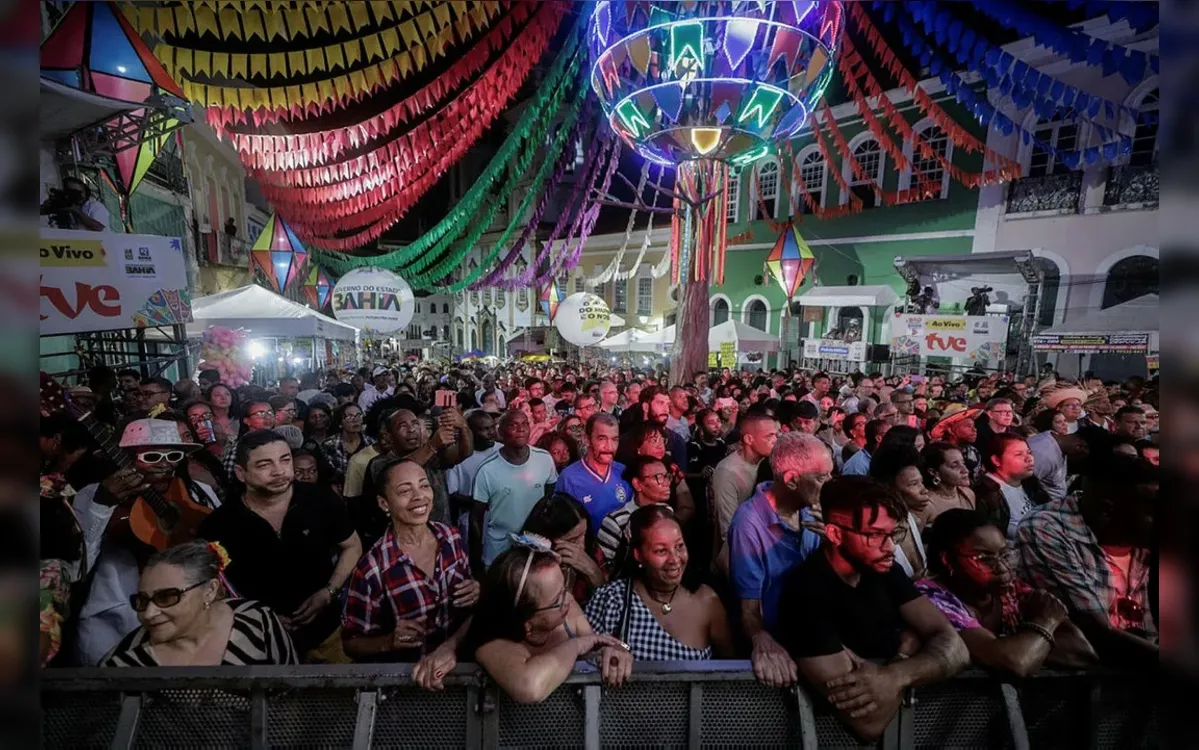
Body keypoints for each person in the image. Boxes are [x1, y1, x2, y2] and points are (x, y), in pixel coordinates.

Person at [774, 476, 969, 742]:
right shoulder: (806, 594)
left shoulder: (885, 570)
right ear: (835, 534)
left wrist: (895, 673)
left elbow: (956, 648)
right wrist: (912, 650)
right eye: (875, 535)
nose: (890, 547)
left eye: (894, 534)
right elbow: (867, 723)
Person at [198, 430, 363, 660]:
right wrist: (260, 617)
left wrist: (329, 592)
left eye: (285, 460)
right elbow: (212, 588)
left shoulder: (321, 500)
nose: (279, 471)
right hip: (254, 642)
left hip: (328, 635)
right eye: (264, 464)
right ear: (241, 473)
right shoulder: (220, 524)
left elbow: (352, 546)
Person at [72, 419, 222, 665]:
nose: (164, 465)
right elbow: (77, 563)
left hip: (187, 622)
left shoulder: (199, 491)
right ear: (126, 460)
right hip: (114, 622)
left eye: (173, 456)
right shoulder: (93, 494)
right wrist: (101, 505)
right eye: (152, 456)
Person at [341, 460, 478, 688]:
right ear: (384, 503)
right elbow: (351, 644)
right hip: (408, 684)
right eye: (405, 491)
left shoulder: (451, 537)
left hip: (460, 673)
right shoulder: (372, 569)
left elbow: (468, 591)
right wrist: (388, 642)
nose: (419, 497)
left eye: (424, 486)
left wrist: (475, 589)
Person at [915, 510, 1097, 678]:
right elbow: (1015, 663)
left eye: (1004, 555)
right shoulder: (931, 597)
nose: (1002, 568)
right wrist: (1045, 622)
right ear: (947, 560)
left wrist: (1022, 649)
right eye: (985, 558)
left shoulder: (1013, 589)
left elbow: (1081, 653)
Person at [1016, 455, 1157, 669]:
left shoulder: (1145, 538)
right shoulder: (1047, 528)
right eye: (1154, 511)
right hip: (1073, 689)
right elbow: (1097, 632)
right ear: (1108, 510)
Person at [466, 539, 633, 703]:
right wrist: (576, 645)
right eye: (556, 601)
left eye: (564, 588)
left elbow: (594, 653)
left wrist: (617, 650)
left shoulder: (567, 608)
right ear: (527, 623)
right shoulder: (492, 643)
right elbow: (530, 689)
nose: (568, 598)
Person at [728, 433, 829, 684]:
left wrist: (835, 540)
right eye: (820, 477)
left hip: (817, 634)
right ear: (792, 480)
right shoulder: (749, 524)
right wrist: (761, 638)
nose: (829, 484)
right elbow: (749, 609)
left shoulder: (814, 509)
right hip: (783, 645)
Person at [102, 541, 297, 666]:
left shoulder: (257, 619)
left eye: (167, 597)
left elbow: (295, 696)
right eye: (143, 601)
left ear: (210, 591)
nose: (149, 613)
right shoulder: (124, 663)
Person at [586, 505, 734, 660]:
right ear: (639, 555)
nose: (675, 559)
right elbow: (583, 659)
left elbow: (730, 673)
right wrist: (609, 652)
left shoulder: (707, 602)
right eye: (661, 551)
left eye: (679, 546)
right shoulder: (612, 600)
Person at [470, 411, 559, 569]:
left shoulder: (544, 459)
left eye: (525, 424)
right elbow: (476, 519)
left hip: (534, 548)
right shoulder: (487, 469)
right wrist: (475, 563)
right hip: (498, 552)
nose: (521, 429)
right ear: (501, 432)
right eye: (513, 425)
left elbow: (551, 499)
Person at [522, 493, 608, 604]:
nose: (582, 545)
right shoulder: (526, 568)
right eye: (572, 540)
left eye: (584, 534)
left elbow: (609, 601)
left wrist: (592, 571)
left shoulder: (592, 547)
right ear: (547, 540)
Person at [556, 414, 632, 529]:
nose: (609, 447)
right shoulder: (569, 478)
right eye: (602, 439)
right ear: (587, 440)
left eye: (614, 439)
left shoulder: (623, 472)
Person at [595, 456, 673, 565]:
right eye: (659, 477)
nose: (667, 483)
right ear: (638, 484)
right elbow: (604, 567)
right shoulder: (615, 521)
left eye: (667, 477)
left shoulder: (666, 511)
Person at [867, 446, 930, 578]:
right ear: (889, 489)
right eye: (914, 484)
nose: (924, 490)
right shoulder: (876, 537)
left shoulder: (910, 517)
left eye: (921, 482)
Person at [615, 423, 695, 523]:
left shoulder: (672, 469)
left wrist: (666, 524)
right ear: (638, 447)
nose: (660, 445)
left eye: (663, 440)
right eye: (654, 440)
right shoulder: (626, 473)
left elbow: (687, 506)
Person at [973, 434, 1048, 540]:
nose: (1029, 458)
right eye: (1018, 454)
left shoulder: (1030, 482)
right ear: (996, 460)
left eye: (1029, 452)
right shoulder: (986, 494)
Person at [220, 398, 277, 479]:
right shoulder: (239, 448)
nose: (268, 417)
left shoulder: (276, 441)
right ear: (247, 421)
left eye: (270, 412)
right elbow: (228, 478)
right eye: (260, 413)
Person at [322, 403, 374, 488]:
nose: (356, 420)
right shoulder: (329, 445)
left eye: (358, 415)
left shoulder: (370, 443)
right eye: (350, 417)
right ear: (340, 423)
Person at [921, 442, 976, 520]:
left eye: (963, 463)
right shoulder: (925, 504)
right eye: (954, 465)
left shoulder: (968, 494)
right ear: (933, 472)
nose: (965, 470)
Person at [929, 405, 983, 482]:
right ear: (950, 429)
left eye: (974, 426)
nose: (974, 430)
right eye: (968, 426)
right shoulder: (938, 452)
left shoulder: (973, 451)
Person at [1027, 410, 1070, 502]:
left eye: (1065, 420)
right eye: (1059, 422)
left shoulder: (1062, 443)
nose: (1064, 424)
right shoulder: (1044, 449)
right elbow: (1030, 482)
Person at [42, 175, 109, 230]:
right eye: (72, 192)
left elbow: (99, 227)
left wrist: (76, 211)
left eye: (80, 192)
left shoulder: (95, 206)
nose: (78, 196)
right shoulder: (65, 203)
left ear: (85, 192)